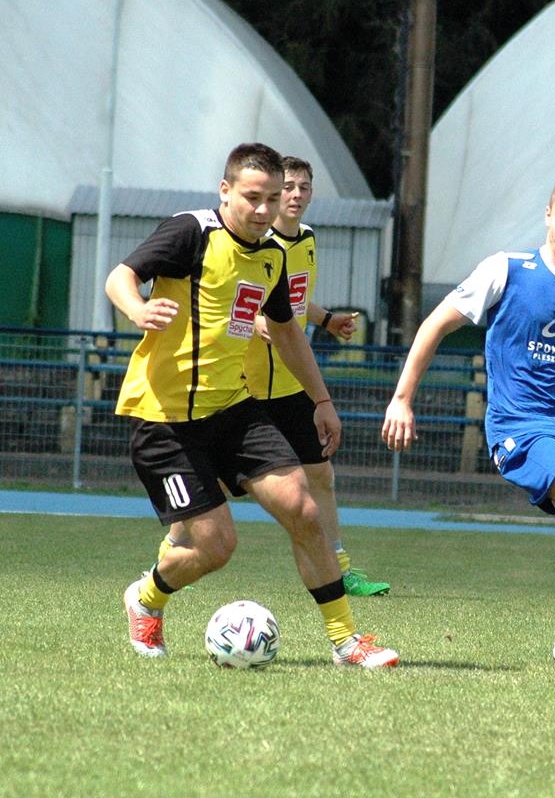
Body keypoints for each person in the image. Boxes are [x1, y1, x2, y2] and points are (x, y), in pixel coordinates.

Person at [107, 142, 398, 668]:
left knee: (304, 508)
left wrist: (321, 399)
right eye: (252, 197)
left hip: (233, 410)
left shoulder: (271, 256)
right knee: (216, 547)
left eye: (272, 198)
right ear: (226, 190)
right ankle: (146, 599)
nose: (264, 209)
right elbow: (120, 276)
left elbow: (287, 331)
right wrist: (138, 309)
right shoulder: (191, 232)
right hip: (165, 421)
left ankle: (346, 641)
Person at [381, 172, 555, 670]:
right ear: (547, 215)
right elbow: (435, 324)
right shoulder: (506, 270)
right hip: (517, 425)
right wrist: (402, 398)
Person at [157, 156, 391, 597]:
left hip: (289, 385)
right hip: (244, 388)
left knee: (319, 477)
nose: (296, 195)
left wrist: (326, 320)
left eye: (304, 187)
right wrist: (258, 323)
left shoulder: (306, 240)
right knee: (215, 483)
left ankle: (340, 569)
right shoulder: (255, 244)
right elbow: (243, 306)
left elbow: (293, 303)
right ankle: (169, 556)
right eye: (289, 188)